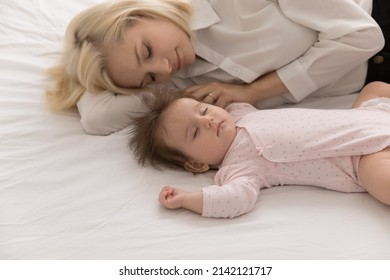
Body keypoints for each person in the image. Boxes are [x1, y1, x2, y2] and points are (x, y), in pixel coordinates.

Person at [45, 0, 389, 135]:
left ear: (142, 11)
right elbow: (95, 119)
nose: (163, 67)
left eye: (146, 49)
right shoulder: (177, 79)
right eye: (148, 76)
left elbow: (363, 35)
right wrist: (85, 64)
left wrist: (253, 91)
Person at [128, 81, 390, 218]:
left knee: (375, 88)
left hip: (367, 116)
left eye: (203, 110)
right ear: (197, 164)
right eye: (195, 132)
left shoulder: (240, 113)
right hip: (359, 158)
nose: (207, 120)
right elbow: (234, 200)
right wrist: (186, 199)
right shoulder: (238, 167)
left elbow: (225, 97)